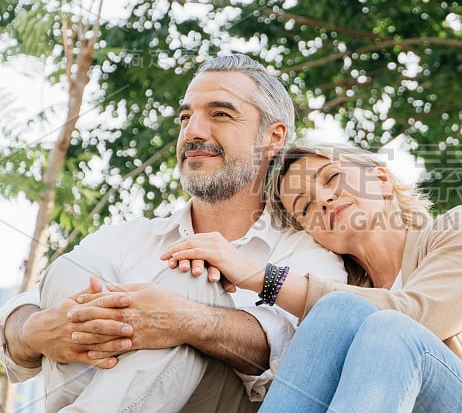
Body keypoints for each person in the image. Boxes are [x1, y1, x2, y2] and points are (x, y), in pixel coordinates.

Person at [0, 55, 346, 412]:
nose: (192, 132)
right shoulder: (132, 237)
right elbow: (22, 308)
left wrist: (185, 320)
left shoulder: (309, 254)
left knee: (191, 282)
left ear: (273, 138)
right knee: (69, 269)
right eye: (185, 117)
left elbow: (295, 353)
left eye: (220, 114)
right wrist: (33, 331)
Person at [161, 143, 462, 413]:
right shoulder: (339, 303)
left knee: (383, 327)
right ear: (314, 235)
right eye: (305, 208)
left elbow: (416, 315)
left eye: (332, 179)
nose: (322, 199)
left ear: (380, 179)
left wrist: (258, 276)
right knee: (337, 315)